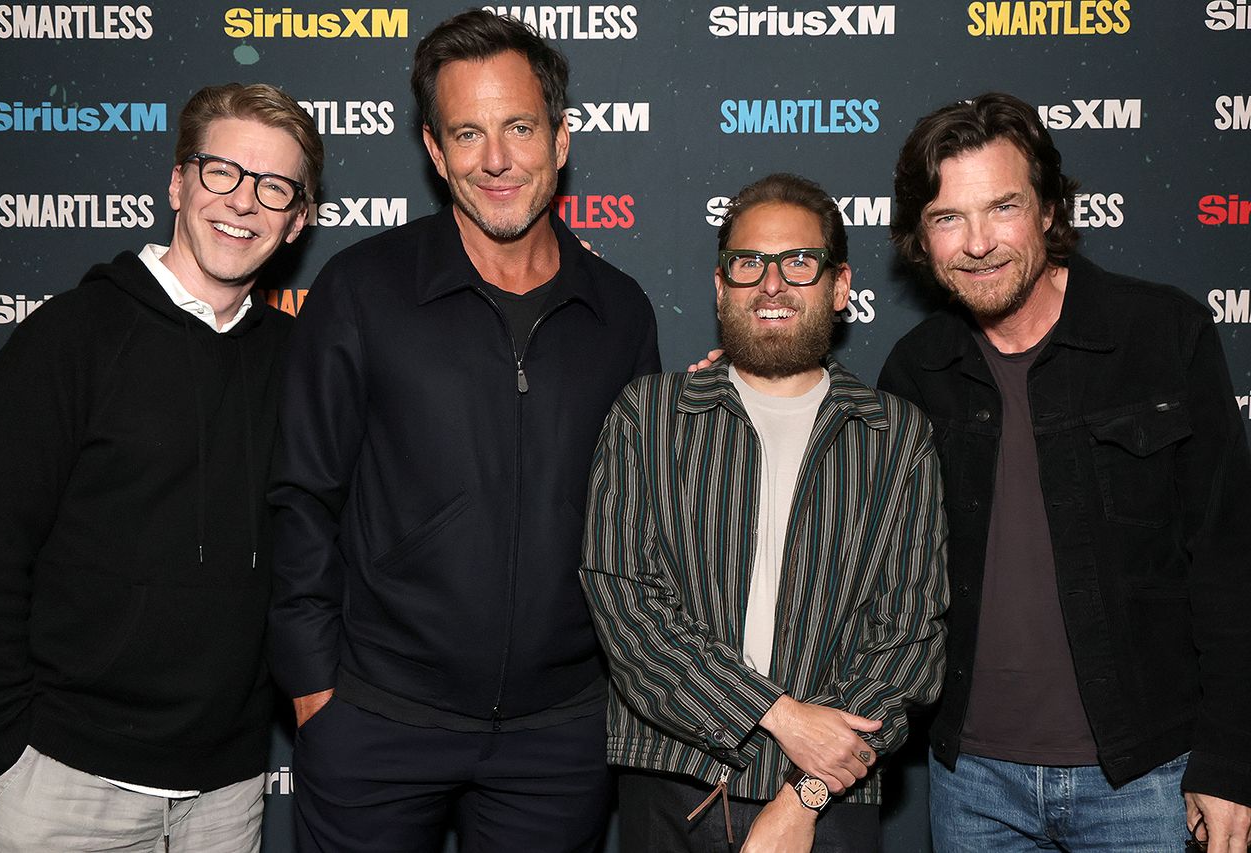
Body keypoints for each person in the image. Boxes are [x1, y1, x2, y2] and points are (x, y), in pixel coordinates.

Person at [268, 10, 660, 852]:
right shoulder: (363, 289)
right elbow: (301, 496)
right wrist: (314, 693)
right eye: (467, 133)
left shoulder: (620, 312)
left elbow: (641, 518)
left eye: (519, 127)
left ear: (560, 137)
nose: (496, 159)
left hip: (559, 735)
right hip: (375, 718)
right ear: (435, 151)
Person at [877, 92, 1251, 853]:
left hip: (1149, 775)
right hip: (972, 784)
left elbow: (1230, 560)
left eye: (1003, 207)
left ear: (1048, 209)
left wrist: (1232, 757)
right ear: (921, 236)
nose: (978, 243)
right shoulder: (915, 371)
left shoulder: (1162, 333)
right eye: (948, 218)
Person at [0, 82, 323, 853]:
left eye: (274, 186)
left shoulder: (298, 363)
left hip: (226, 795)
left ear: (297, 220)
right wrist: (4, 750)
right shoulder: (70, 338)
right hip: (59, 785)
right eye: (221, 171)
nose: (243, 201)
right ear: (177, 182)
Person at [581, 173, 948, 852]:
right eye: (748, 262)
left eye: (799, 262)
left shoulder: (895, 436)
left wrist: (805, 793)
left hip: (832, 793)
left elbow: (907, 640)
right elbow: (625, 605)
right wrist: (778, 714)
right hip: (673, 779)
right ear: (721, 286)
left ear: (840, 287)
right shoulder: (649, 416)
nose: (771, 283)